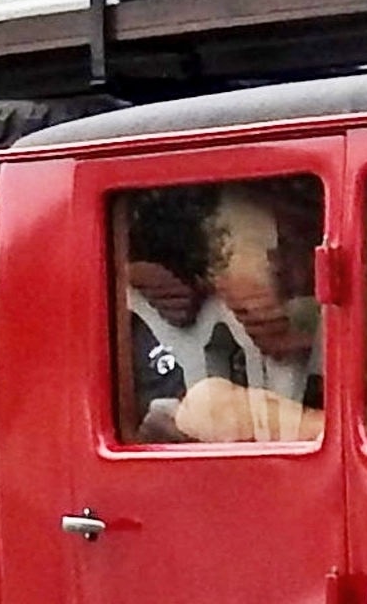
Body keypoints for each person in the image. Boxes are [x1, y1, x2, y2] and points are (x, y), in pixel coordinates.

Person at [120, 181, 324, 445]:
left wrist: (298, 424)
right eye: (272, 253)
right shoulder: (133, 332)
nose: (295, 276)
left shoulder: (365, 335)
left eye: (294, 248)